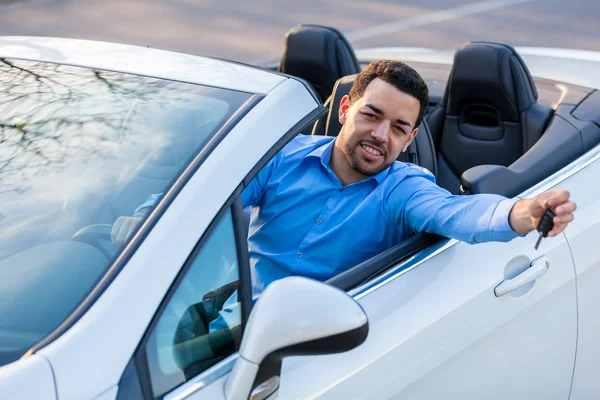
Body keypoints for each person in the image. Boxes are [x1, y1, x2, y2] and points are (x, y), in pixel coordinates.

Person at [113, 60, 577, 295]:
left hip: (315, 348)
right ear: (344, 109)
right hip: (231, 317)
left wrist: (523, 211)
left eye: (399, 128)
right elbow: (213, 195)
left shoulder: (405, 188)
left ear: (411, 135)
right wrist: (144, 220)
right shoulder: (283, 156)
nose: (381, 136)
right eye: (372, 116)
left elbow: (458, 212)